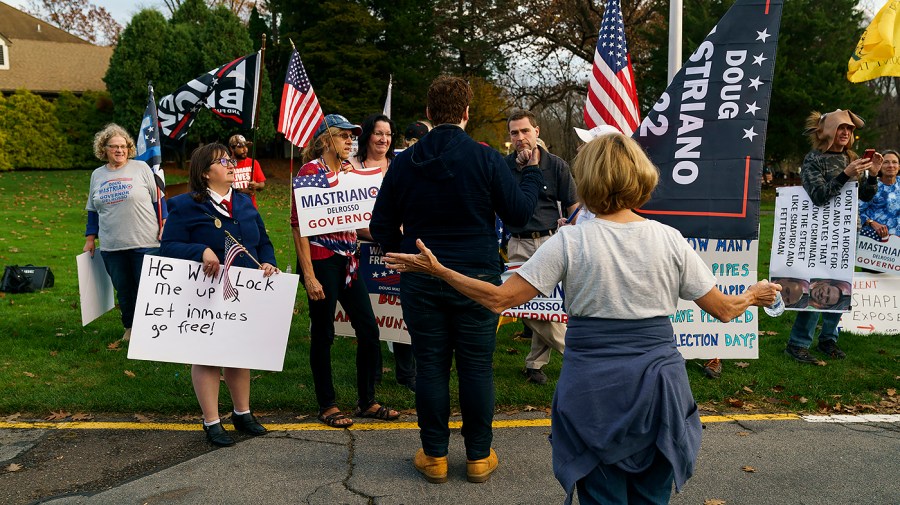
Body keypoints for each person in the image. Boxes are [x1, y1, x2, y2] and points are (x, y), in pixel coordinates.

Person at [383, 132, 780, 504]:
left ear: (586, 180)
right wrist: (754, 294)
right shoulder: (668, 238)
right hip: (660, 392)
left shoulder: (570, 242)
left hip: (593, 392)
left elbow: (499, 299)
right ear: (641, 176)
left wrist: (440, 271)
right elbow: (725, 310)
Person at [370, 76, 543, 485]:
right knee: (476, 367)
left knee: (430, 365)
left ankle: (435, 456)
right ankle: (479, 457)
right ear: (466, 113)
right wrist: (533, 173)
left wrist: (410, 254)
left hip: (422, 276)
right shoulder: (483, 158)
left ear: (429, 114)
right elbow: (519, 214)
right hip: (477, 278)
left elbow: (379, 226)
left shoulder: (405, 162)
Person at [160, 142, 277, 447]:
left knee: (240, 353)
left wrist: (268, 263)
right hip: (205, 294)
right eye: (222, 161)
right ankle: (211, 421)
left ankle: (242, 413)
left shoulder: (245, 203)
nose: (230, 163)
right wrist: (200, 250)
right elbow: (168, 247)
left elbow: (263, 242)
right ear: (205, 173)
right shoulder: (184, 205)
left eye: (229, 159)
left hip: (244, 291)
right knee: (208, 356)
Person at [290, 114, 400, 428]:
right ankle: (327, 405)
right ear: (326, 139)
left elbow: (357, 218)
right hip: (322, 260)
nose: (350, 141)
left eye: (352, 137)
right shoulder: (310, 172)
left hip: (350, 259)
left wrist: (386, 233)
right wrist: (309, 275)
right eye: (344, 136)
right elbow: (299, 228)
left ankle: (367, 401)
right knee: (323, 334)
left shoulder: (350, 170)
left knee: (369, 329)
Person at [787, 109, 880, 363]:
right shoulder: (813, 160)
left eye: (850, 130)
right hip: (821, 234)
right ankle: (797, 343)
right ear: (828, 131)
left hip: (847, 232)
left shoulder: (851, 157)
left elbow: (865, 196)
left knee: (841, 287)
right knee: (819, 287)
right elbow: (818, 195)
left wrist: (872, 175)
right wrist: (846, 174)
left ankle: (828, 339)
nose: (847, 133)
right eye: (842, 128)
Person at [505, 109, 579, 385]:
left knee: (548, 306)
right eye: (515, 133)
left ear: (537, 131)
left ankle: (534, 364)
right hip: (518, 243)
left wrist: (573, 231)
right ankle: (575, 354)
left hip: (552, 241)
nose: (521, 137)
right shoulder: (505, 167)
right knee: (525, 304)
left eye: (525, 131)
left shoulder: (556, 165)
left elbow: (572, 205)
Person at [83, 124, 164, 342]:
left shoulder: (141, 168)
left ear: (128, 148)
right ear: (104, 149)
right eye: (114, 146)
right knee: (124, 290)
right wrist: (90, 239)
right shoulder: (97, 175)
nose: (119, 150)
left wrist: (164, 223)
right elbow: (93, 209)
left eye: (123, 146)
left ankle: (155, 330)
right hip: (112, 245)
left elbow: (160, 199)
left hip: (145, 241)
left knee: (148, 288)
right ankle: (130, 328)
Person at [354, 114, 417, 392]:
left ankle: (407, 373)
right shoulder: (351, 167)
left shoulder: (399, 165)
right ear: (367, 135)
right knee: (370, 311)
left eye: (388, 134)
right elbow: (343, 212)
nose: (383, 139)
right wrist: (376, 232)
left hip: (397, 246)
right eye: (378, 133)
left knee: (400, 307)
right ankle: (374, 371)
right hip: (363, 247)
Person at [859, 149, 900, 239]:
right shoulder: (871, 185)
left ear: (899, 166)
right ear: (879, 166)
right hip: (875, 242)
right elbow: (857, 211)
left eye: (894, 162)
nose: (891, 166)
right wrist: (871, 222)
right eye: (886, 162)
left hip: (897, 244)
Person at [228, 134, 266, 208]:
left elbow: (262, 185)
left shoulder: (254, 163)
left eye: (245, 146)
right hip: (231, 209)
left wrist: (257, 185)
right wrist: (242, 192)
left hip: (250, 208)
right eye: (240, 147)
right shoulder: (226, 164)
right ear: (231, 149)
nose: (245, 149)